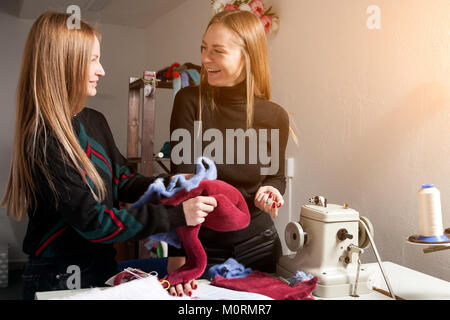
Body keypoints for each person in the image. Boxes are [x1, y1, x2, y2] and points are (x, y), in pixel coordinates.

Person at [0, 11, 217, 300]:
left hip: (101, 268)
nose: (101, 70)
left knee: (187, 269)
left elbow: (124, 181)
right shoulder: (45, 138)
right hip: (58, 279)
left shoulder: (95, 120)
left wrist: (174, 181)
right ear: (64, 64)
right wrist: (177, 214)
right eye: (92, 60)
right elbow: (94, 223)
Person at [169, 10, 289, 278]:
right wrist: (177, 254)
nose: (205, 59)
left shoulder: (274, 115)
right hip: (202, 247)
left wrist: (270, 192)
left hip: (260, 245)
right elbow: (182, 185)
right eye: (203, 48)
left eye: (217, 51)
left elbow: (276, 177)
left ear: (247, 57)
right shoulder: (189, 102)